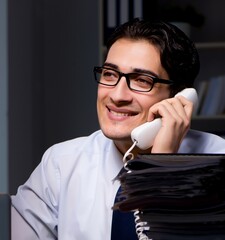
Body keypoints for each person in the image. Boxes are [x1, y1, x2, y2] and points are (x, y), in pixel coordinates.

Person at [11, 18, 225, 240]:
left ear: (178, 97)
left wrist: (161, 170)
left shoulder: (217, 164)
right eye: (110, 74)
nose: (117, 95)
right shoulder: (60, 165)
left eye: (142, 80)